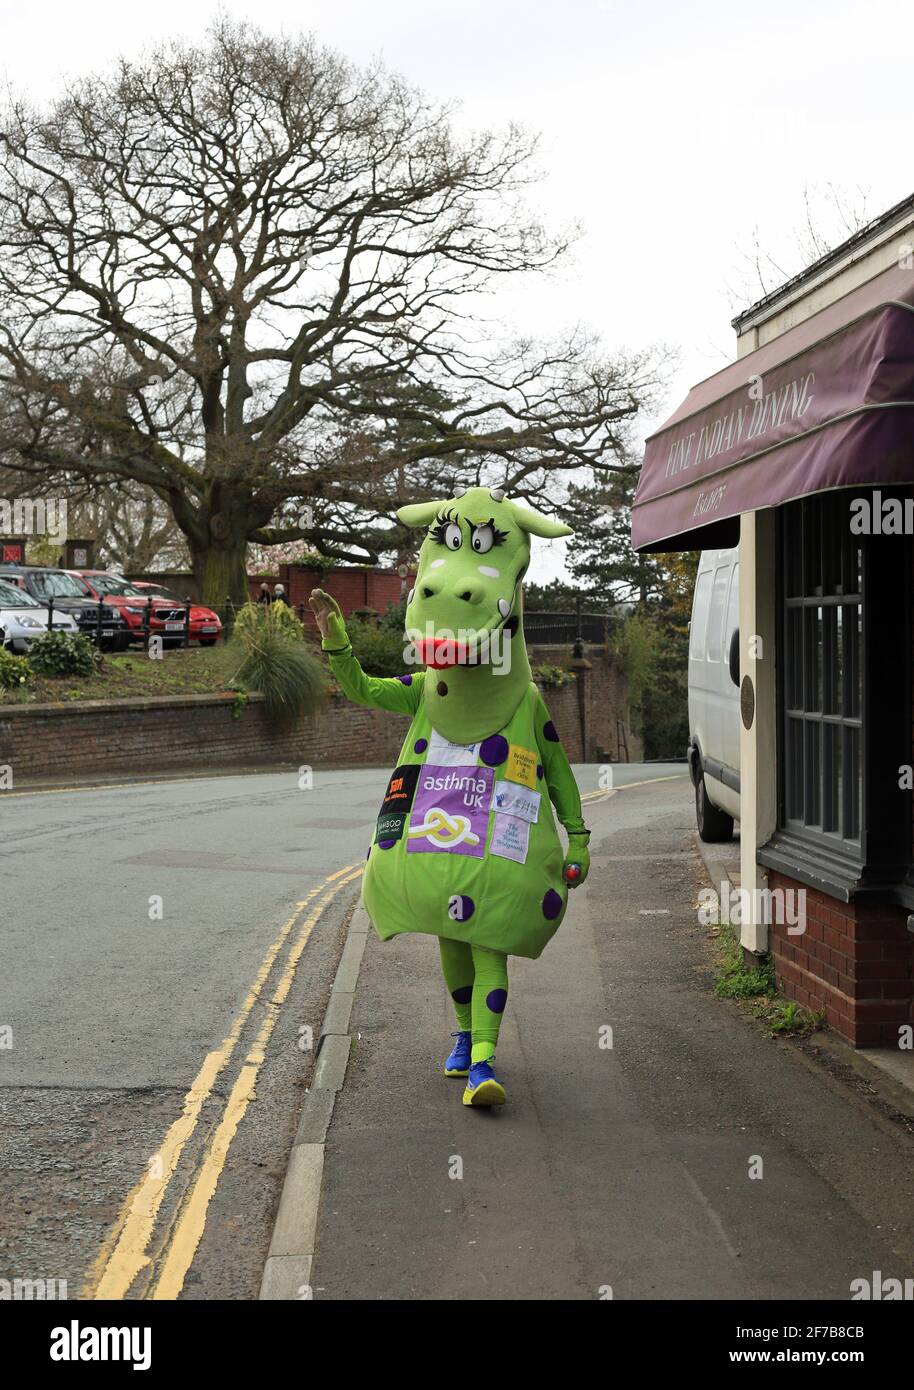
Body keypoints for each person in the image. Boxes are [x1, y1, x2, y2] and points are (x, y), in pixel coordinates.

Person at [310, 486, 590, 1108]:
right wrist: (334, 638)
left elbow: (559, 770)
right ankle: (464, 1038)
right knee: (453, 942)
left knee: (489, 944)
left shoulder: (526, 702)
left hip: (498, 850)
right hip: (440, 850)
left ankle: (484, 1062)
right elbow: (361, 688)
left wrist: (581, 836)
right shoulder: (425, 689)